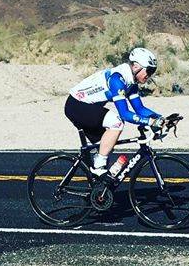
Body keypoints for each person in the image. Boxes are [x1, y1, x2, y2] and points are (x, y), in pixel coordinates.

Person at [65, 47, 165, 175]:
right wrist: (150, 122)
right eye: (149, 70)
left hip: (87, 107)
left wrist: (161, 119)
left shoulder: (131, 82)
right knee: (116, 123)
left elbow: (140, 109)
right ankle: (98, 168)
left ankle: (99, 180)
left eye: (153, 71)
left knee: (107, 145)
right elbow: (124, 114)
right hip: (77, 106)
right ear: (136, 67)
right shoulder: (117, 79)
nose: (150, 75)